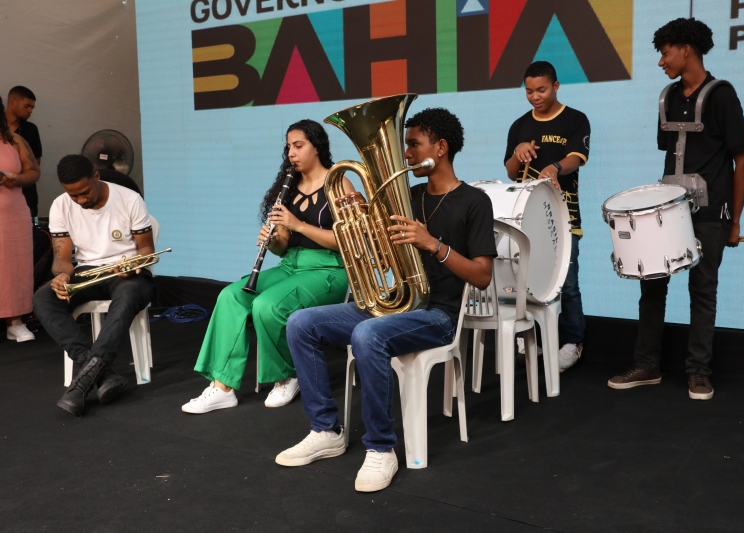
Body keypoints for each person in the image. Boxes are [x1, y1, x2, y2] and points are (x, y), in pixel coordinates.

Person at [277, 108, 496, 493]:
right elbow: (380, 259)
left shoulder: (474, 201)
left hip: (438, 313)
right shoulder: (407, 196)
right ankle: (326, 430)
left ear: (440, 148)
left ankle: (381, 448)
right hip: (396, 301)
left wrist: (433, 245)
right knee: (301, 323)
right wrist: (362, 222)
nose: (405, 154)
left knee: (367, 335)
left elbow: (481, 276)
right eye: (404, 145)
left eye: (413, 145)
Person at [608, 18, 744, 400]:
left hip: (711, 213)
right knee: (651, 286)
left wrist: (735, 221)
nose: (661, 61)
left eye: (665, 51)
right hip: (668, 211)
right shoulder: (667, 97)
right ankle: (647, 364)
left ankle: (699, 372)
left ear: (686, 48)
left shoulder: (722, 95)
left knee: (703, 289)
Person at [181, 120, 354, 414]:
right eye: (288, 147)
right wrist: (273, 239)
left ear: (317, 146)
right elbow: (282, 245)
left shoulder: (338, 184)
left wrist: (299, 224)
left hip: (329, 270)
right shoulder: (289, 188)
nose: (291, 153)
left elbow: (348, 240)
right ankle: (223, 386)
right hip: (290, 266)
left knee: (267, 305)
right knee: (230, 296)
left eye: (298, 146)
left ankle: (287, 375)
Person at [33, 154, 156, 416]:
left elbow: (147, 248)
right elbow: (63, 260)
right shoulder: (60, 206)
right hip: (87, 272)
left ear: (97, 176)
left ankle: (81, 384)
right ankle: (102, 374)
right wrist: (61, 276)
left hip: (128, 273)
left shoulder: (129, 199)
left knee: (127, 298)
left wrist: (132, 263)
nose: (80, 200)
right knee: (43, 298)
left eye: (85, 192)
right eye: (73, 195)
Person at [504, 61, 591, 372]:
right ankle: (528, 338)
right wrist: (519, 153)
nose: (535, 96)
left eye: (541, 89)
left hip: (563, 217)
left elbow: (576, 158)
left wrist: (554, 166)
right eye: (529, 91)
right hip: (523, 219)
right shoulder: (519, 125)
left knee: (567, 284)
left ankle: (573, 341)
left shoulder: (575, 120)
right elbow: (511, 171)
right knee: (522, 282)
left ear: (556, 86)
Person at [1, 97, 40, 342]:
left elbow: (33, 171)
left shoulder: (14, 140)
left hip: (11, 215)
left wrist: (16, 179)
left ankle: (15, 321)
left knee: (12, 267)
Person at [5, 86, 42, 218]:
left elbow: (36, 163)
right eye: (27, 106)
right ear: (13, 102)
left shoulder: (31, 129)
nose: (30, 111)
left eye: (32, 108)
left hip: (27, 196)